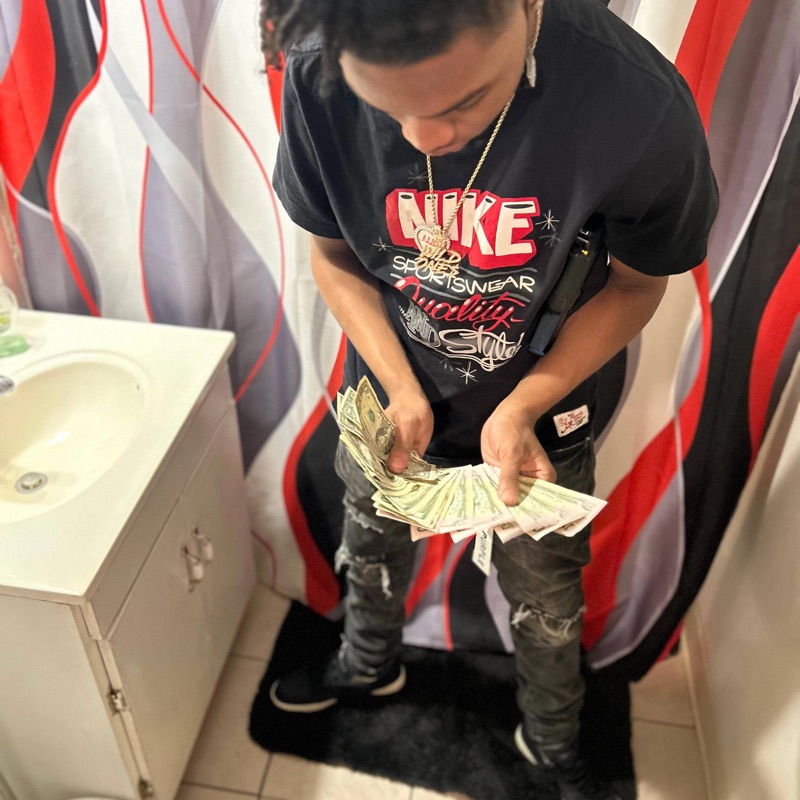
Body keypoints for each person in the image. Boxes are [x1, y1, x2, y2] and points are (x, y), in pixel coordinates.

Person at [259, 1, 718, 798]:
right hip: (385, 394)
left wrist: (522, 407)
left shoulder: (635, 104)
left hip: (543, 418)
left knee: (547, 594)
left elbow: (637, 285)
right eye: (384, 105)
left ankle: (552, 733)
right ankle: (367, 664)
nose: (422, 139)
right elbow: (332, 255)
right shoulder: (315, 61)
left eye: (463, 101)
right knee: (368, 545)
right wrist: (400, 387)